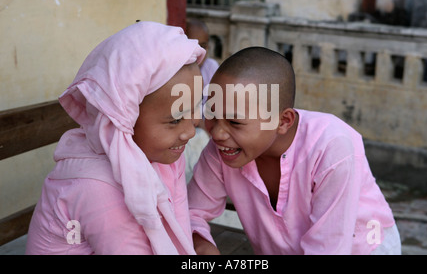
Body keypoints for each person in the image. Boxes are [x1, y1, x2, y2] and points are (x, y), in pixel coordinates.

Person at [188, 46, 401, 255]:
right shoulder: (223, 149)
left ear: (283, 121)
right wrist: (202, 244)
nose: (217, 133)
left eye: (235, 122)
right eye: (211, 115)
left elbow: (328, 249)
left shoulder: (331, 148)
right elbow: (192, 212)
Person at [26, 21, 205, 255]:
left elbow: (180, 231)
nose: (190, 132)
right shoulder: (98, 187)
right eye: (174, 120)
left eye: (194, 109)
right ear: (124, 119)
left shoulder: (164, 153)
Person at [184, 19, 220, 181]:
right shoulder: (176, 70)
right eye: (193, 45)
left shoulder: (211, 68)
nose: (199, 52)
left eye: (204, 46)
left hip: (207, 129)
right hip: (189, 129)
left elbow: (217, 107)